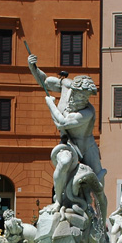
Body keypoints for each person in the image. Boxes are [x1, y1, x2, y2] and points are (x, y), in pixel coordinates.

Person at [27, 53, 105, 184]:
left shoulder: (88, 111)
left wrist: (50, 103)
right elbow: (45, 83)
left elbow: (61, 123)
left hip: (87, 146)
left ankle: (101, 204)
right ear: (74, 90)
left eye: (87, 97)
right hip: (68, 143)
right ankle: (59, 200)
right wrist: (32, 67)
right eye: (82, 95)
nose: (84, 99)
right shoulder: (66, 85)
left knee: (98, 180)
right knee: (64, 164)